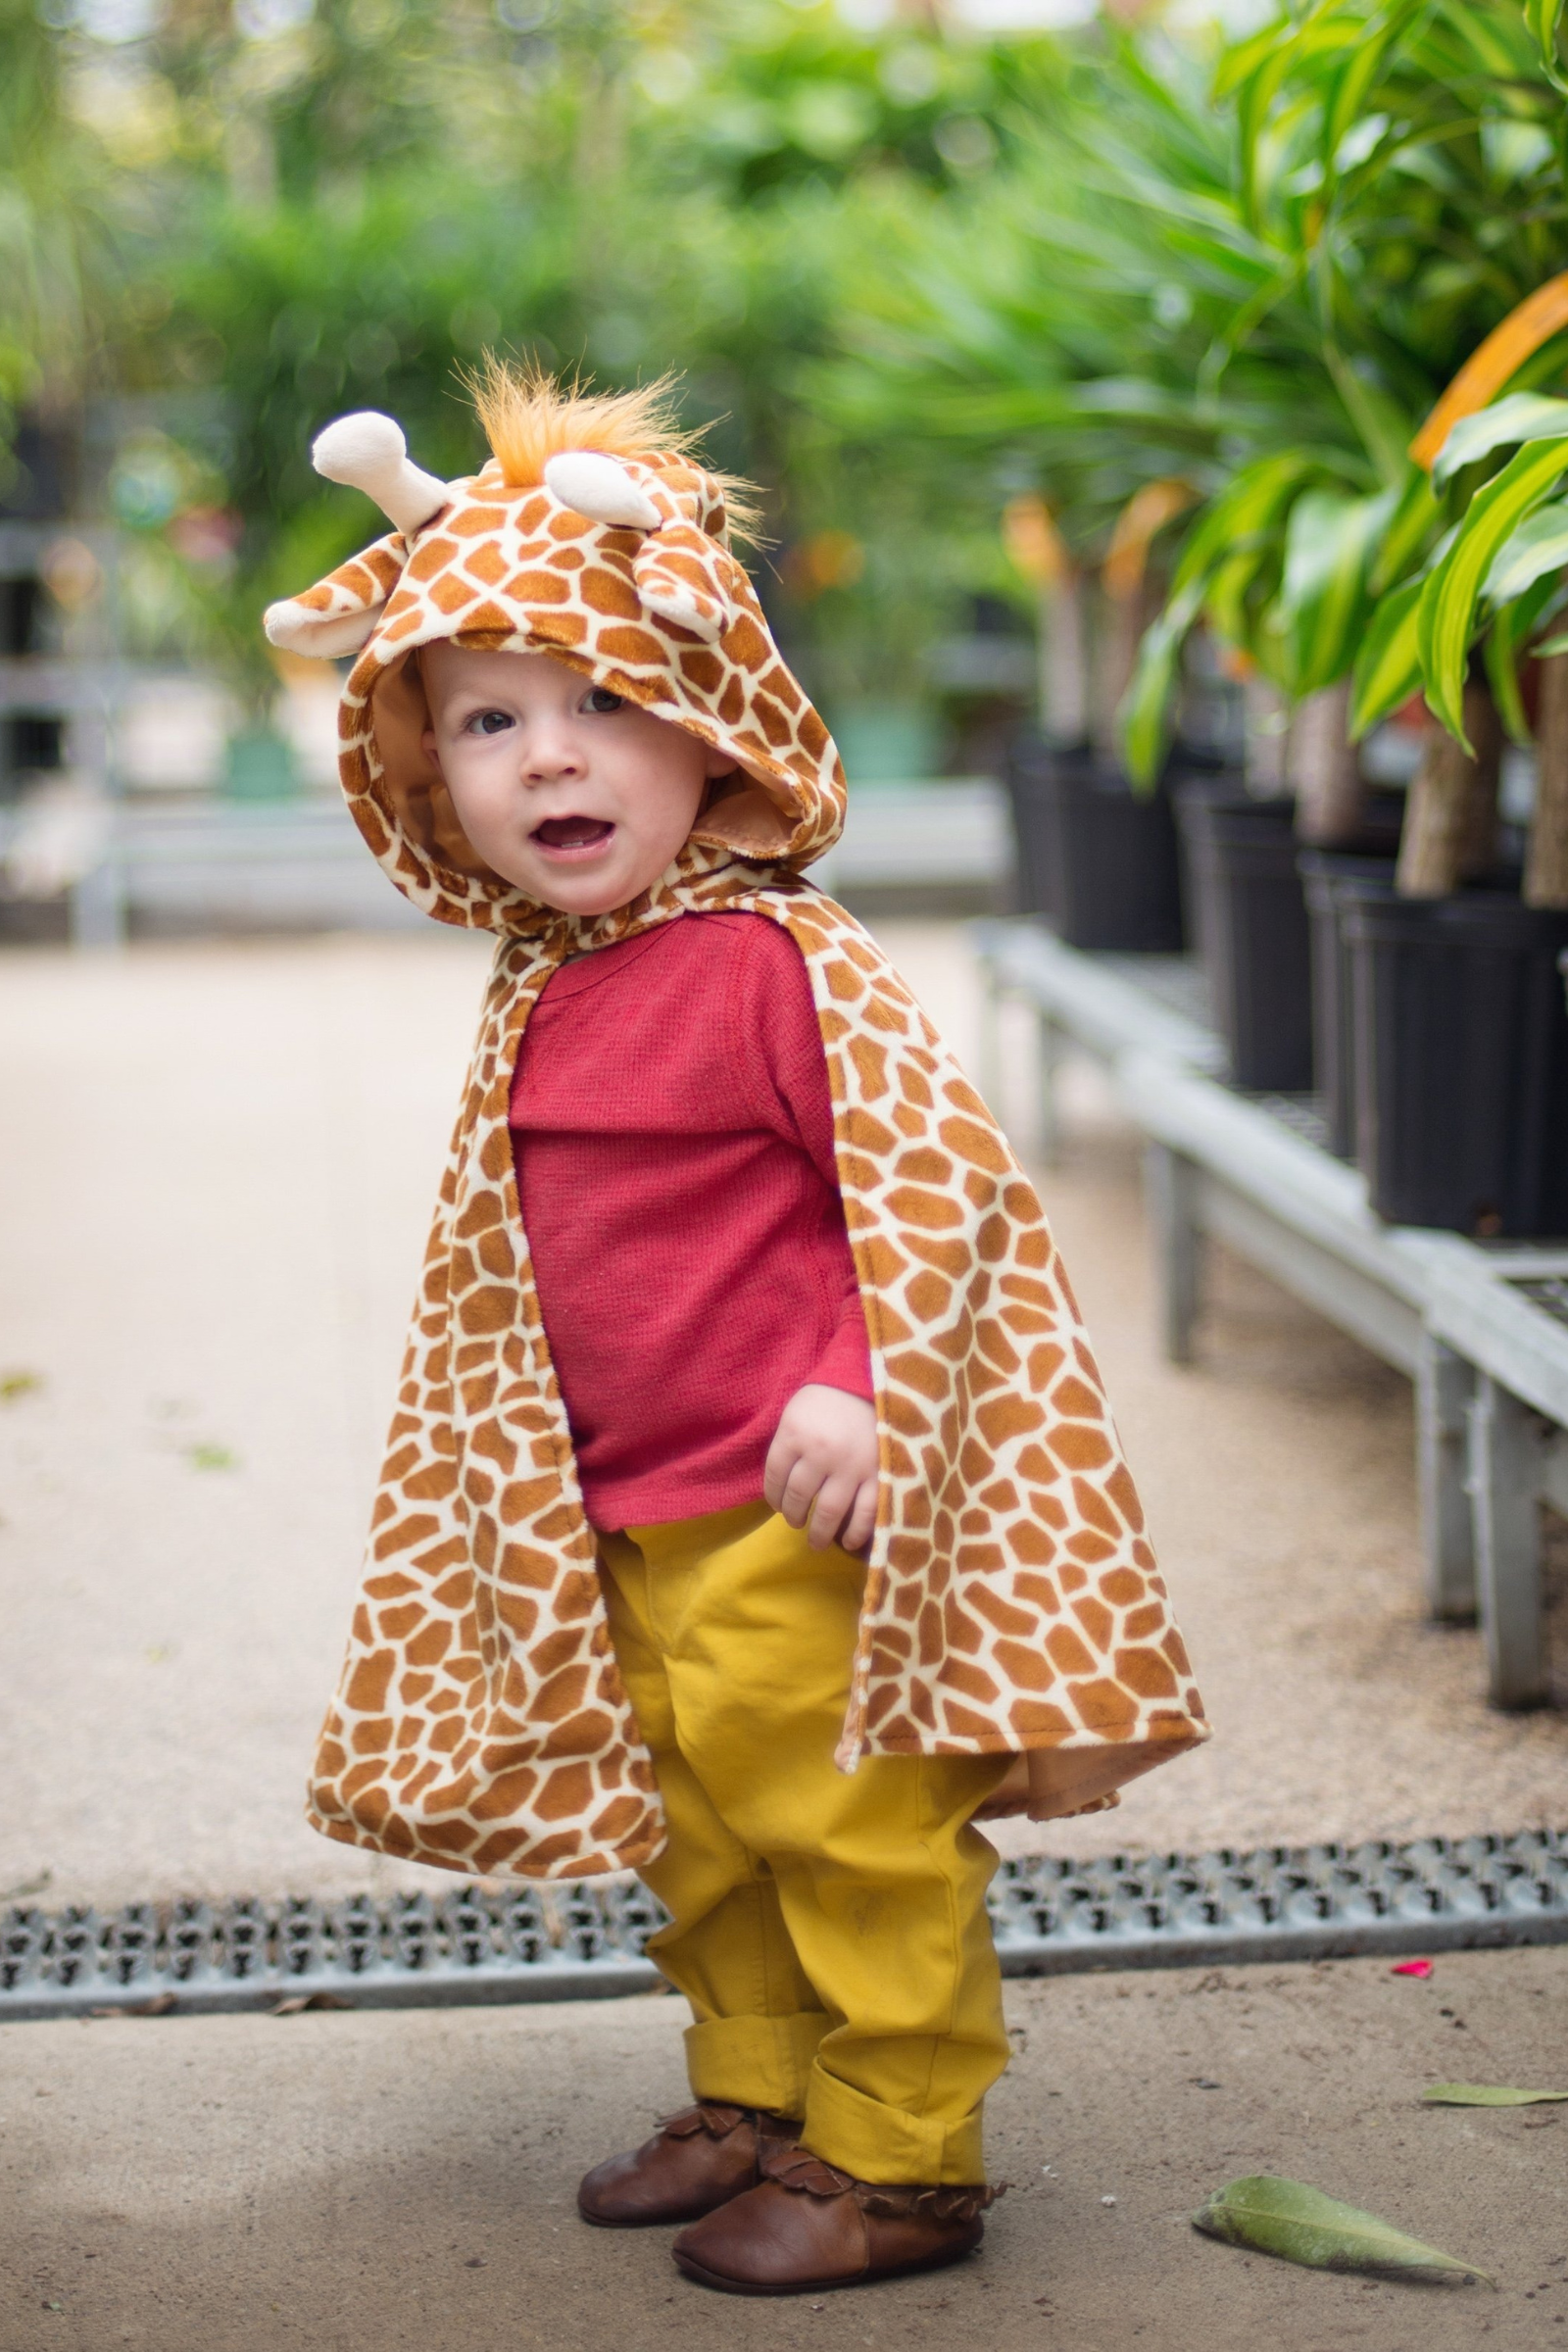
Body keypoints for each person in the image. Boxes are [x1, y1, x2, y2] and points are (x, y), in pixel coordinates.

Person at [264, 365, 1208, 2299]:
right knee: (695, 1832)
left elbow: (929, 1201)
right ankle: (758, 2097)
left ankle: (902, 2149)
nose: (551, 760)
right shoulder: (550, 980)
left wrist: (867, 1395)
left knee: (843, 1828)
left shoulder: (767, 967)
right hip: (622, 1507)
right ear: (419, 766)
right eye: (488, 719)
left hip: (787, 1507)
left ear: (713, 723)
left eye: (608, 700)